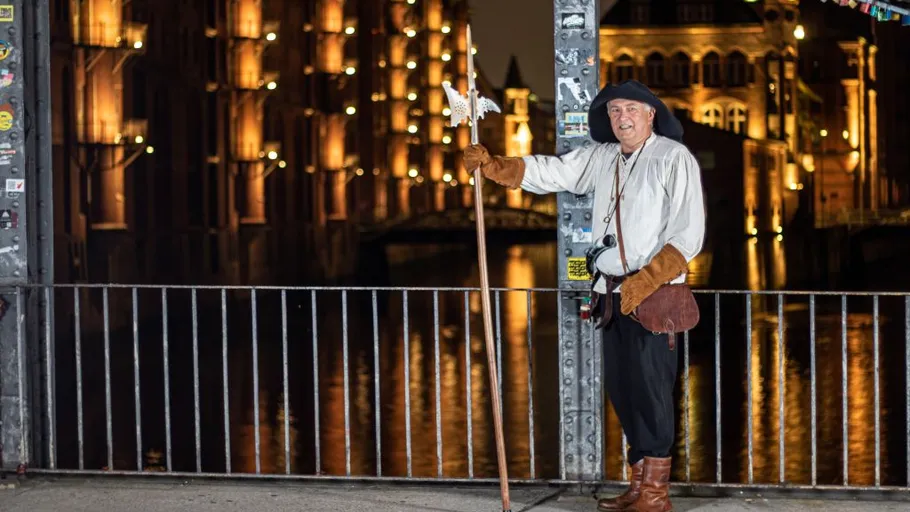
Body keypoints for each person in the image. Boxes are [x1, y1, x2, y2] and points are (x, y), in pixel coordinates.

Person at [463, 79, 705, 512]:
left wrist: (646, 280)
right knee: (622, 390)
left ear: (651, 114)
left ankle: (655, 494)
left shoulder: (674, 157)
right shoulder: (602, 157)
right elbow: (551, 171)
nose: (622, 117)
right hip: (610, 294)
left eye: (631, 108)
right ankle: (637, 485)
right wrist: (495, 165)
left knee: (652, 393)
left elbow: (688, 234)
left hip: (654, 294)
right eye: (614, 111)